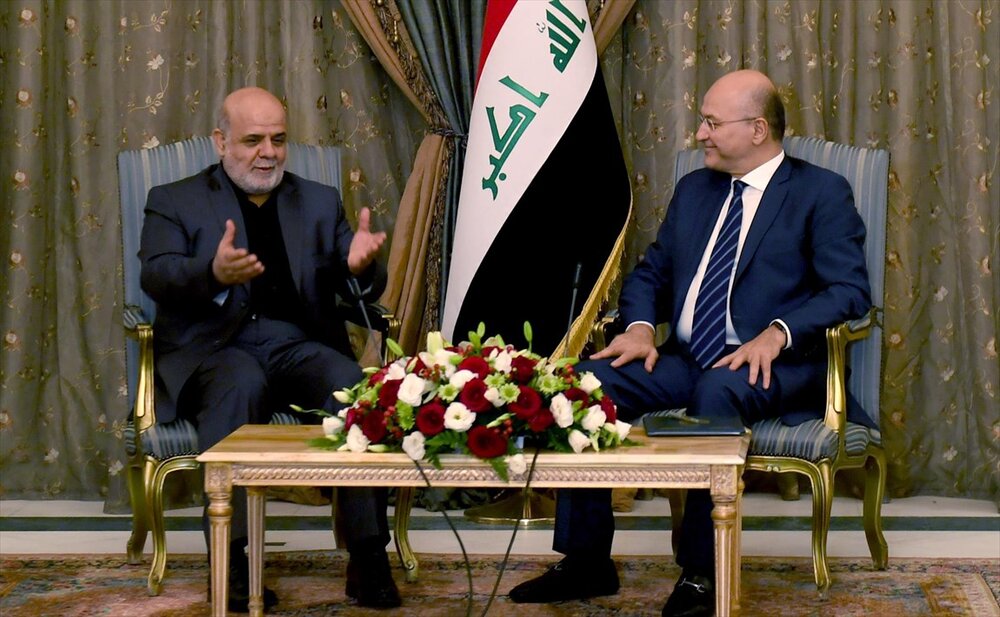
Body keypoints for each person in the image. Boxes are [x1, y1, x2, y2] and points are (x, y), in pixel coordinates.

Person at [507, 70, 873, 617]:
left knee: (717, 392)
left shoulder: (819, 191)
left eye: (711, 123)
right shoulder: (696, 189)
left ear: (757, 129)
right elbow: (652, 272)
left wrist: (778, 332)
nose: (700, 133)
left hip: (772, 365)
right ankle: (586, 561)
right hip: (685, 358)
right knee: (584, 384)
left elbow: (849, 290)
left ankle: (703, 572)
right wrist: (638, 327)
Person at [139, 87, 401, 612]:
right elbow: (157, 274)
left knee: (353, 389)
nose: (268, 153)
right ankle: (232, 562)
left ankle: (369, 556)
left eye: (278, 140)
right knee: (239, 385)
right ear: (221, 142)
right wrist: (212, 272)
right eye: (253, 140)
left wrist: (360, 267)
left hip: (296, 344)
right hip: (217, 348)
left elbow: (356, 284)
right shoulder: (174, 198)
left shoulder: (319, 199)